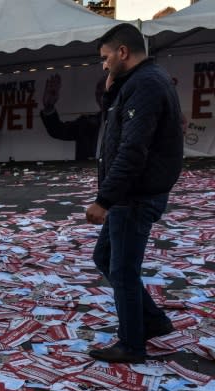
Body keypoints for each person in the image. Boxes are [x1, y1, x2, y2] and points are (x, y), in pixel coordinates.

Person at [86, 23, 183, 364]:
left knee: (124, 271)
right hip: (131, 193)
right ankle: (153, 321)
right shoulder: (137, 83)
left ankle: (132, 344)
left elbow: (133, 149)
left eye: (105, 57)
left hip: (134, 196)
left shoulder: (146, 84)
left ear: (122, 52)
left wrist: (104, 200)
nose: (104, 65)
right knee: (104, 259)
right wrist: (111, 90)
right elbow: (118, 129)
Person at [40, 73, 105, 161]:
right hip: (89, 173)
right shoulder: (85, 123)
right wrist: (49, 106)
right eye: (99, 93)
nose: (102, 98)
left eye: (105, 93)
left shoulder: (126, 122)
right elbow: (57, 130)